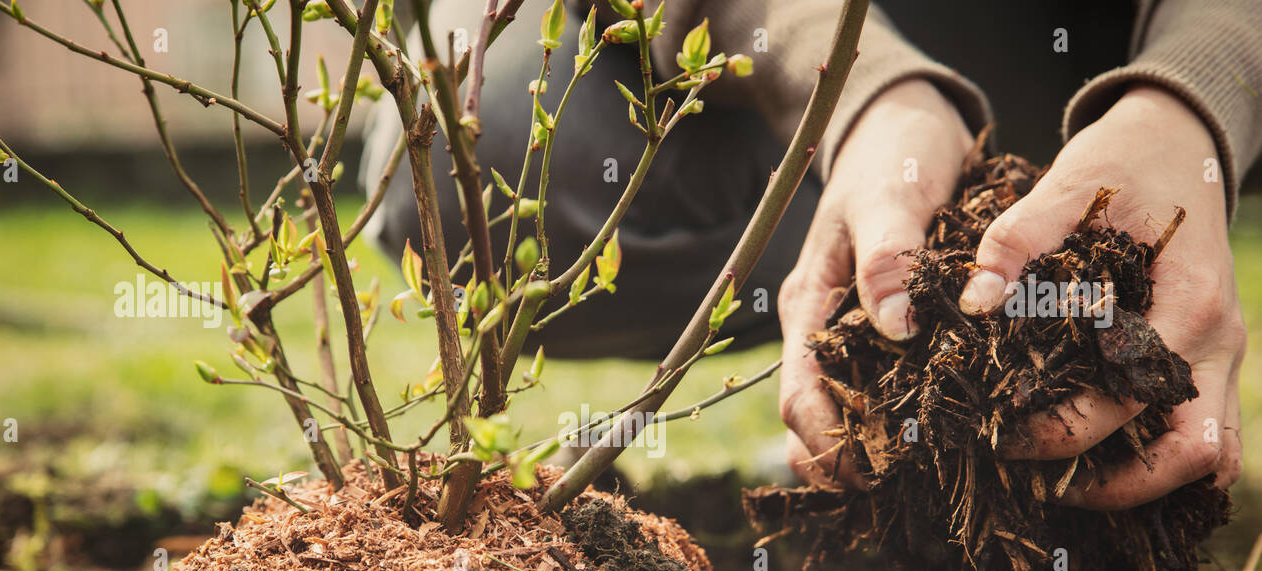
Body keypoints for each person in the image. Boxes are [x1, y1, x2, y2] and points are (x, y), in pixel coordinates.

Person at [362, 0, 1259, 507]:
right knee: (452, 149)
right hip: (814, 47)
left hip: (1130, 39)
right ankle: (880, 224)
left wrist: (1199, 101)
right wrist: (866, 94)